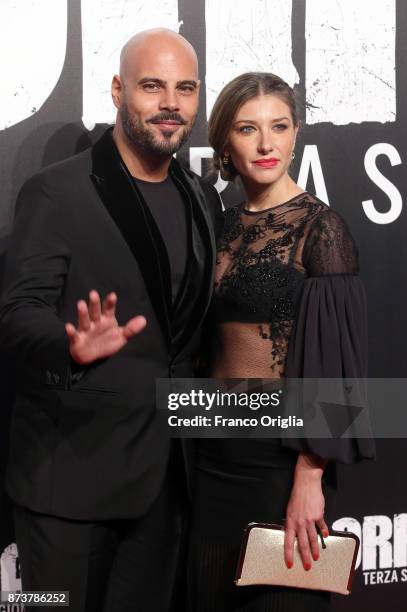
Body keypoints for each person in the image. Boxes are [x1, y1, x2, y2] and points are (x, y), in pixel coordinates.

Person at [0, 28, 222, 612]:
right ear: (119, 90)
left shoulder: (201, 196)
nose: (171, 103)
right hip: (67, 483)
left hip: (165, 482)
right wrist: (69, 346)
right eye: (152, 86)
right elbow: (17, 313)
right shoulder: (57, 192)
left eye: (185, 88)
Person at [186, 72, 375, 611]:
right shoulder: (217, 226)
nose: (266, 144)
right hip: (208, 458)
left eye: (279, 126)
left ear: (296, 136)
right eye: (248, 128)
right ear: (225, 141)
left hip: (279, 466)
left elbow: (340, 373)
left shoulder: (323, 230)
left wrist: (310, 478)